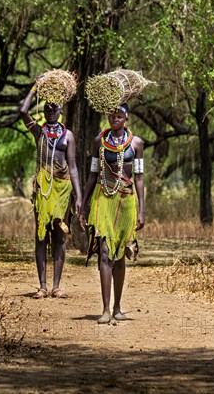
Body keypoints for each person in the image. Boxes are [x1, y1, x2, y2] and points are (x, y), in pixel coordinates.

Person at [79, 103, 145, 324]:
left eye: (119, 115)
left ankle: (117, 307)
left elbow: (139, 178)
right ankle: (105, 310)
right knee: (105, 252)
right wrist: (82, 203)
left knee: (119, 254)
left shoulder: (136, 144)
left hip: (127, 201)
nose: (115, 118)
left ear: (126, 117)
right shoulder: (99, 142)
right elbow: (92, 174)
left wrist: (142, 211)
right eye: (112, 115)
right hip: (103, 199)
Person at [20, 83, 82, 299]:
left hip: (62, 189)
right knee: (40, 235)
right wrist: (35, 89)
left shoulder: (68, 136)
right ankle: (42, 286)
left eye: (54, 109)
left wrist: (79, 198)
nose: (50, 112)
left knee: (59, 237)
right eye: (47, 109)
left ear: (61, 111)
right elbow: (22, 111)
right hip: (43, 188)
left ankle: (56, 286)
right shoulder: (39, 131)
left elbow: (73, 167)